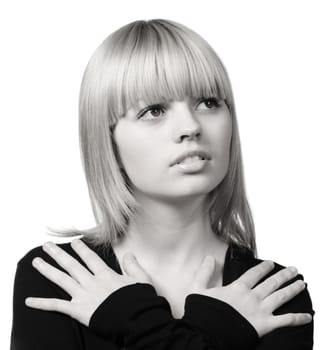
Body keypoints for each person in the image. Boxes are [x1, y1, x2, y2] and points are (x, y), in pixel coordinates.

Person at [10, 19, 314, 349]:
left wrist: (132, 320)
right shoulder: (59, 278)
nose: (191, 126)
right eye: (154, 110)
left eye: (209, 102)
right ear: (107, 139)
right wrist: (212, 331)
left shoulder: (275, 294)